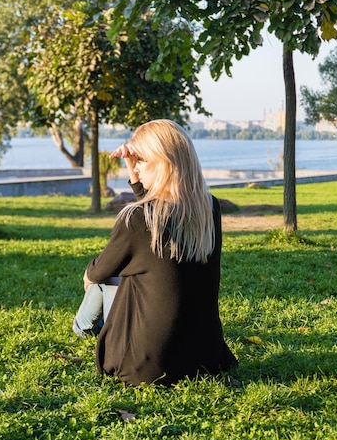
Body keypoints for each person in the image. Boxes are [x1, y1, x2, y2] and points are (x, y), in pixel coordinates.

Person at [73, 119, 237, 386]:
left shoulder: (136, 219)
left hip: (146, 366)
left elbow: (99, 271)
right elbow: (156, 217)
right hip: (204, 358)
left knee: (100, 283)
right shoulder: (210, 209)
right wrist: (134, 171)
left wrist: (89, 274)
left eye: (140, 160)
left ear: (163, 162)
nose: (135, 165)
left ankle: (82, 327)